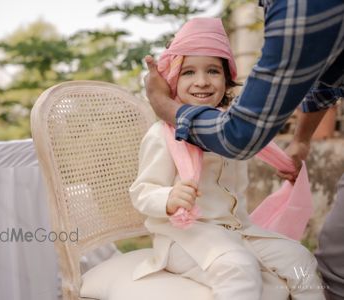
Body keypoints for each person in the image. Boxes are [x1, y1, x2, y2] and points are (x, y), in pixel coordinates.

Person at [143, 1, 344, 298]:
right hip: (184, 238)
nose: (202, 81)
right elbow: (142, 190)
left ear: (227, 80)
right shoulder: (163, 135)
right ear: (171, 79)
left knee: (300, 260)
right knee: (239, 268)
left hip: (236, 232)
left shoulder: (228, 129)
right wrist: (168, 198)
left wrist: (293, 151)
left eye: (213, 70)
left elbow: (248, 134)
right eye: (188, 72)